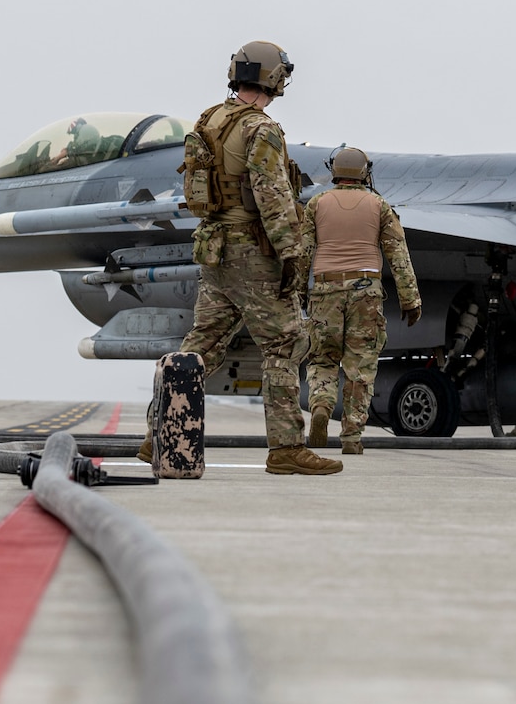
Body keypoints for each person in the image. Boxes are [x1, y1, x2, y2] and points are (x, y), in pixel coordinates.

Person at [145, 40, 340, 475]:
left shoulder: (209, 119)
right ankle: (287, 448)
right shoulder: (261, 129)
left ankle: (156, 435)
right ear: (273, 77)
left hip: (215, 248)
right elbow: (272, 196)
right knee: (286, 342)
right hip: (253, 251)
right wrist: (292, 253)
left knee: (203, 345)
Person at [298, 146, 421, 455]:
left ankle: (322, 407)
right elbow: (398, 256)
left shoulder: (316, 204)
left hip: (325, 291)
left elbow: (302, 255)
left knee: (322, 359)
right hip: (366, 292)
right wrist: (410, 300)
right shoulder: (379, 205)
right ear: (365, 172)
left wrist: (299, 292)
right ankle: (351, 437)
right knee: (360, 366)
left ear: (334, 171)